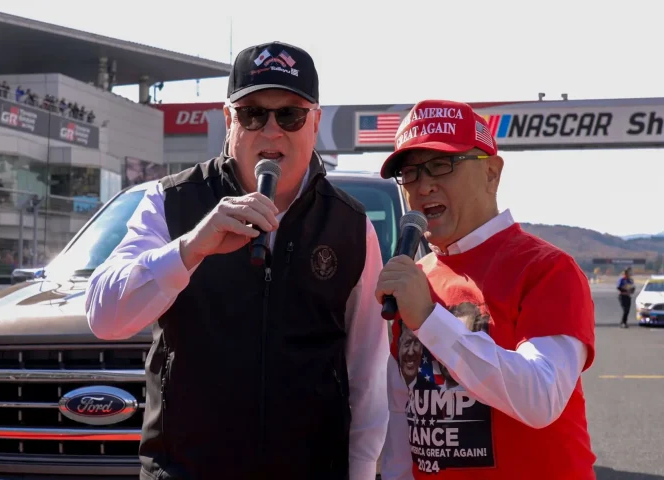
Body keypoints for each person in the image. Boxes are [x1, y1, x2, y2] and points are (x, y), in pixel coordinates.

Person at [85, 41, 390, 480]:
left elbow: (369, 373)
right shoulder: (171, 202)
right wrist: (191, 249)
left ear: (315, 122)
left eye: (290, 114)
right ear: (228, 121)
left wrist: (359, 473)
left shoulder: (349, 225)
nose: (271, 131)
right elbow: (104, 316)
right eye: (252, 114)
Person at [375, 99, 597, 479]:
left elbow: (541, 398)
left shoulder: (547, 269)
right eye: (410, 173)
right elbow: (402, 416)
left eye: (441, 165)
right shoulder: (413, 278)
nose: (424, 185)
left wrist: (429, 319)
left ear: (492, 173)